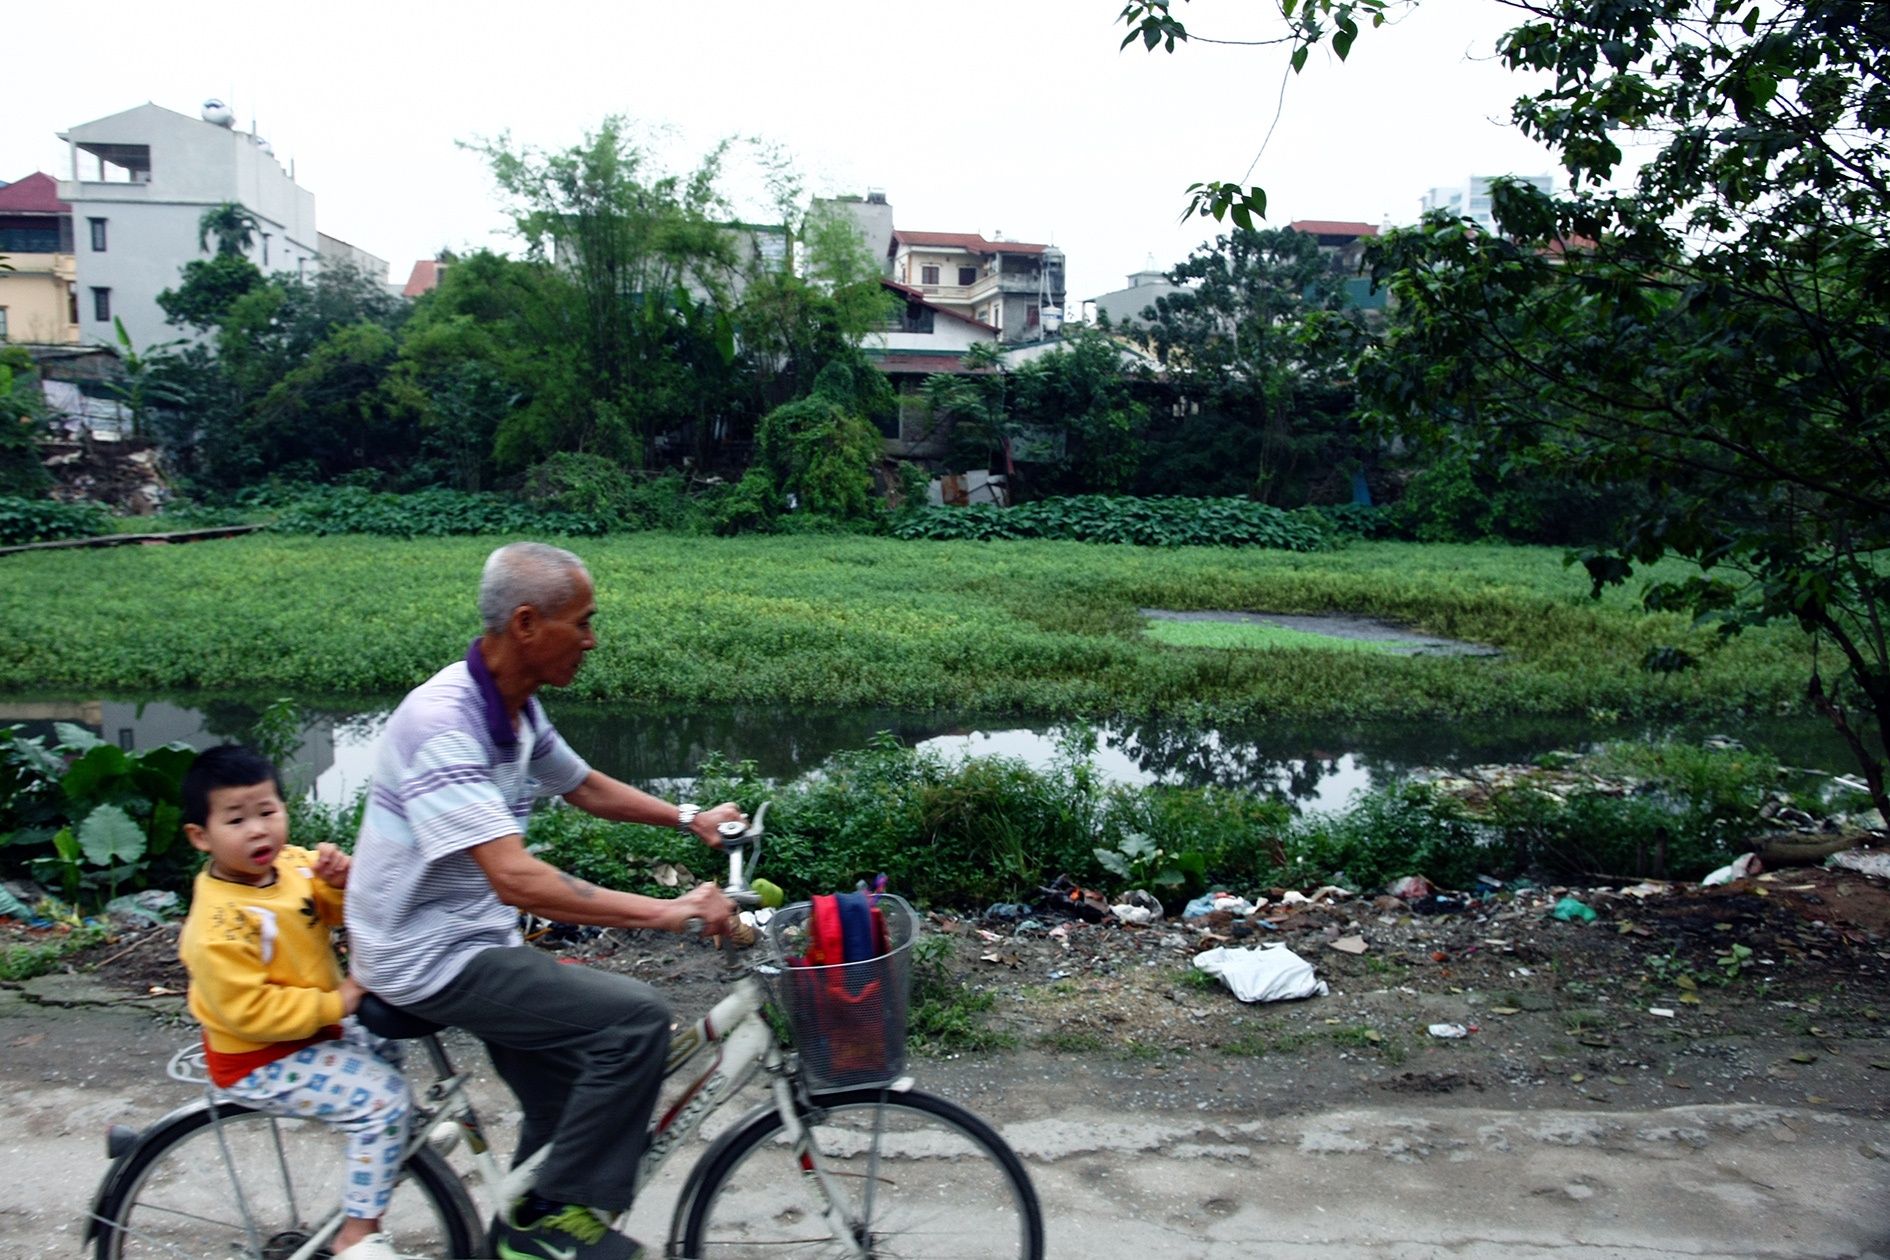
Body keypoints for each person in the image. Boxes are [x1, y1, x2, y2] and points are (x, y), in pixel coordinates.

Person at [345, 541, 739, 1260]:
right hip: (427, 954)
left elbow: (582, 785)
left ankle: (520, 1233)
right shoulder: (443, 724)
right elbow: (516, 879)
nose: (592, 640)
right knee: (634, 1023)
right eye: (582, 622)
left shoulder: (516, 709)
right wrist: (671, 910)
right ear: (526, 624)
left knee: (569, 1100)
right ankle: (551, 1229)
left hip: (474, 936)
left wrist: (691, 819)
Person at [177, 745, 411, 1260]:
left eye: (267, 811)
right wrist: (338, 1002)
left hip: (309, 1033)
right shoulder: (218, 925)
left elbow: (335, 910)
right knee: (382, 1100)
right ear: (201, 836)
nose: (257, 830)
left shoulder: (291, 866)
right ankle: (357, 1234)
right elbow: (250, 1012)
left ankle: (390, 1146)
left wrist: (340, 882)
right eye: (236, 820)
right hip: (259, 1056)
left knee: (387, 1041)